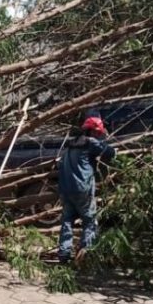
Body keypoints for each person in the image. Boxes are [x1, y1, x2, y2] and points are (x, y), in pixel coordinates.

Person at [57, 112, 116, 264]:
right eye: (98, 133)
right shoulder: (90, 142)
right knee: (89, 221)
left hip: (65, 188)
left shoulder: (71, 143)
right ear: (91, 131)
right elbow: (110, 153)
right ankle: (85, 254)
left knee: (67, 221)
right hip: (82, 188)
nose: (99, 135)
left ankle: (64, 254)